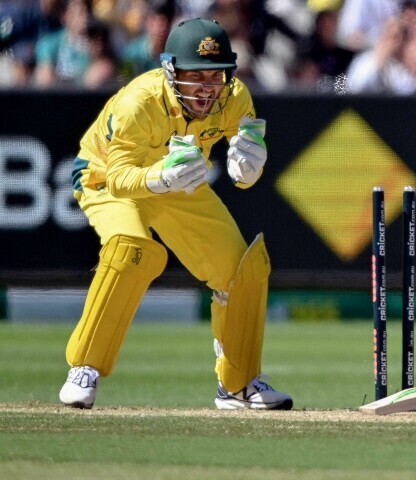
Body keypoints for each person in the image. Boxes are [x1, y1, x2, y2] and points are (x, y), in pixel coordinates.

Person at [58, 18, 292, 411]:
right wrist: (160, 176)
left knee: (241, 268)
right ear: (171, 71)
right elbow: (118, 178)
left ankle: (237, 386)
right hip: (104, 178)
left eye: (216, 75)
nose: (206, 87)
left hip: (178, 183)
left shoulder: (235, 98)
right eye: (195, 74)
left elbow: (246, 154)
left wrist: (250, 167)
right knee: (131, 248)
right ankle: (84, 368)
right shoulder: (139, 102)